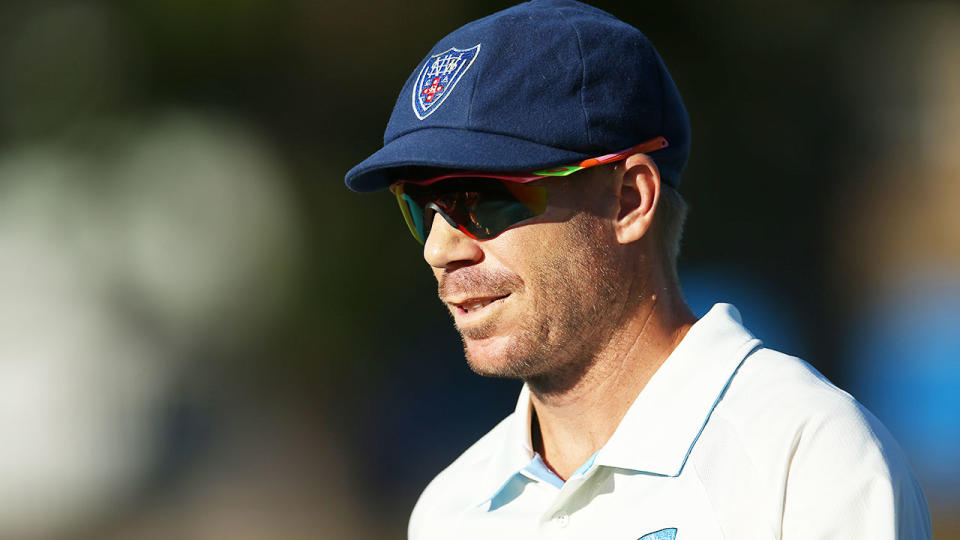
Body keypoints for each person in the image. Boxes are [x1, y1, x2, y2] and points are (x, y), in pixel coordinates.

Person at [344, 1, 932, 538]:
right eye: (419, 207)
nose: (441, 249)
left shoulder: (806, 457)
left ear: (629, 201)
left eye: (484, 198)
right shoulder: (451, 511)